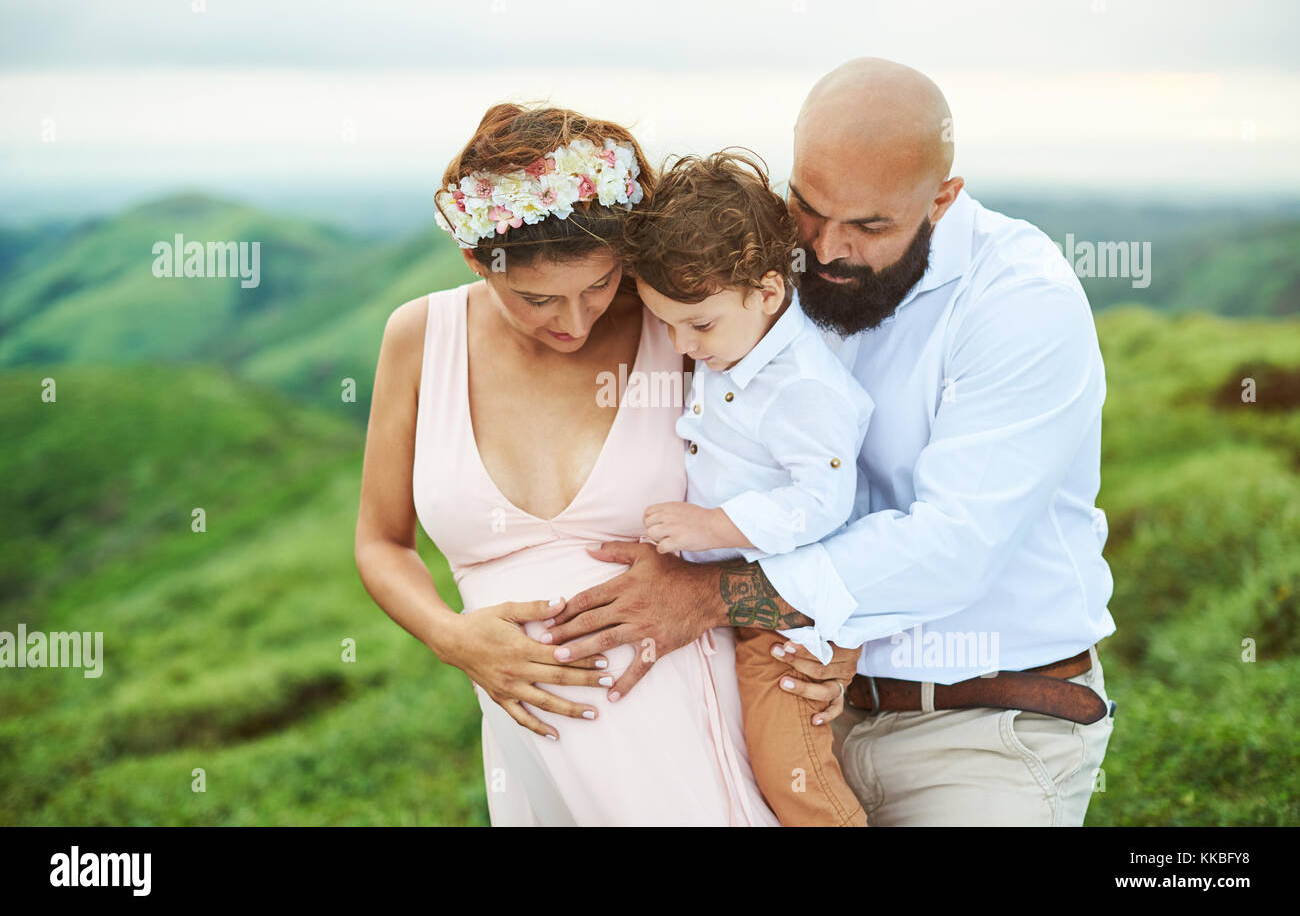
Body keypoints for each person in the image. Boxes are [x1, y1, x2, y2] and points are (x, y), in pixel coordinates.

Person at [543, 58, 1119, 826]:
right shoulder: (771, 272)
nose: (826, 248)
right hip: (807, 705)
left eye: (869, 225)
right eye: (808, 209)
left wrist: (711, 595)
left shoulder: (1021, 300)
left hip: (987, 731)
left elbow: (953, 545)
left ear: (941, 199)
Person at [353, 102, 783, 825]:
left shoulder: (677, 333)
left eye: (598, 285)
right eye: (536, 299)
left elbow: (821, 523)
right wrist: (450, 636)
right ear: (475, 259)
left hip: (690, 734)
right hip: (533, 761)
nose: (575, 322)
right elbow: (380, 541)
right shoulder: (420, 338)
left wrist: (717, 593)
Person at [628, 149, 873, 826]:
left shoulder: (799, 384)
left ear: (768, 291)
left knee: (786, 766)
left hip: (783, 607)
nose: (683, 344)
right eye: (666, 323)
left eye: (698, 323)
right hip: (737, 598)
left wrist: (712, 527)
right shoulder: (736, 341)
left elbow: (824, 499)